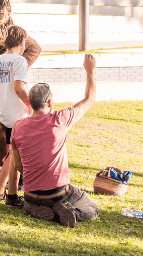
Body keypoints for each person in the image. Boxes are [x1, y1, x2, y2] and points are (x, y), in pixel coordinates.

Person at [10, 54, 99, 228]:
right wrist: (90, 71)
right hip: (59, 193)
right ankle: (70, 212)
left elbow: (18, 166)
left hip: (31, 194)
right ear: (50, 102)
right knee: (92, 209)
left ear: (31, 102)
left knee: (32, 203)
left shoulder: (17, 127)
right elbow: (90, 99)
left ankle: (36, 209)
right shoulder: (60, 119)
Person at [0, 25, 31, 207]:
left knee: (14, 154)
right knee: (14, 156)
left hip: (3, 113)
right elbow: (19, 87)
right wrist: (32, 105)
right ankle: (4, 194)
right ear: (22, 43)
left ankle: (5, 194)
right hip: (18, 114)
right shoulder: (20, 61)